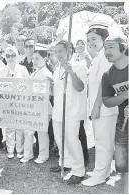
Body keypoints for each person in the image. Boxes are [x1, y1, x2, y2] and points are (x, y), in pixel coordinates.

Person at [81, 22, 118, 187]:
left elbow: (106, 84)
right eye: (88, 40)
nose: (90, 42)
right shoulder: (99, 56)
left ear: (104, 38)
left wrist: (96, 106)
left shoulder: (106, 56)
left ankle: (99, 175)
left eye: (94, 38)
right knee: (103, 141)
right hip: (101, 107)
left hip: (104, 107)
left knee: (103, 142)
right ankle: (105, 170)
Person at [50, 40, 87, 184]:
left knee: (72, 140)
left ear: (69, 51)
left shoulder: (79, 66)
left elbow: (80, 87)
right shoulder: (56, 68)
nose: (58, 54)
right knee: (59, 139)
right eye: (56, 51)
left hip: (72, 110)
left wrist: (71, 72)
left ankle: (79, 171)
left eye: (61, 51)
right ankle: (65, 163)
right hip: (58, 110)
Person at [101, 34, 128, 193]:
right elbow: (107, 101)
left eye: (111, 47)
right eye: (105, 48)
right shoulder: (107, 75)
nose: (107, 51)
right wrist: (124, 97)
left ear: (123, 47)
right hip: (123, 121)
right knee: (122, 161)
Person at [0, 46, 30, 159]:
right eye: (8, 55)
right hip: (7, 103)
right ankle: (10, 149)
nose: (10, 58)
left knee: (20, 127)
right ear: (5, 57)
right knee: (9, 127)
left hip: (20, 103)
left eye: (13, 55)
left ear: (17, 56)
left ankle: (19, 149)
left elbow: (28, 85)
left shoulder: (23, 69)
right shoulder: (1, 71)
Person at [29, 44, 53, 164]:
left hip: (43, 107)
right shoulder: (37, 71)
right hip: (36, 107)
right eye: (33, 58)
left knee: (42, 133)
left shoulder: (46, 74)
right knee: (38, 132)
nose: (34, 61)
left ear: (45, 59)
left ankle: (44, 155)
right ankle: (39, 153)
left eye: (37, 58)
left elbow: (49, 92)